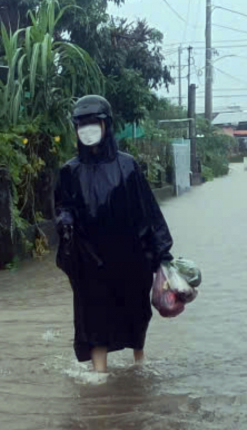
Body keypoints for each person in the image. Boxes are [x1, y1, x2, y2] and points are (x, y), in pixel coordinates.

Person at [54, 95, 181, 373]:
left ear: (105, 125)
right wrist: (64, 221)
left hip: (131, 258)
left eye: (93, 123)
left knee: (136, 313)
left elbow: (148, 210)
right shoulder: (70, 171)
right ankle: (99, 376)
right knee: (95, 317)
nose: (87, 129)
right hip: (91, 260)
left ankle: (139, 363)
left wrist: (162, 253)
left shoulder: (128, 166)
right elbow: (64, 205)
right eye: (82, 124)